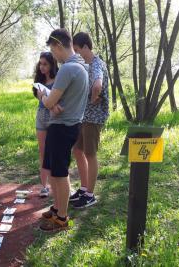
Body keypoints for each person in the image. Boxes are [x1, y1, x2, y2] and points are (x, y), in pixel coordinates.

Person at [36, 28, 89, 232]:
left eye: (53, 50)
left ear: (59, 46)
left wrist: (43, 96)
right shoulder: (80, 67)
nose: (54, 56)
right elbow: (59, 100)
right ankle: (57, 207)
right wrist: (52, 103)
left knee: (59, 173)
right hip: (67, 125)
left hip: (62, 127)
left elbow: (49, 100)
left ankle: (62, 218)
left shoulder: (68, 68)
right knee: (54, 169)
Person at [70, 32, 110, 208]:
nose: (77, 54)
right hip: (84, 116)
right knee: (77, 151)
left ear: (86, 47)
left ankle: (90, 195)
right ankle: (84, 188)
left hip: (93, 118)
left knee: (90, 154)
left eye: (77, 50)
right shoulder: (88, 64)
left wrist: (94, 98)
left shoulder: (95, 64)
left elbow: (98, 85)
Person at [33, 52, 59, 197]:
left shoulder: (59, 80)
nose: (42, 67)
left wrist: (46, 97)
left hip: (55, 117)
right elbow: (40, 98)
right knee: (42, 152)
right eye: (40, 64)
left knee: (55, 152)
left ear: (52, 65)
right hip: (41, 116)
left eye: (45, 64)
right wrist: (42, 96)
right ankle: (44, 186)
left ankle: (59, 185)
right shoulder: (39, 81)